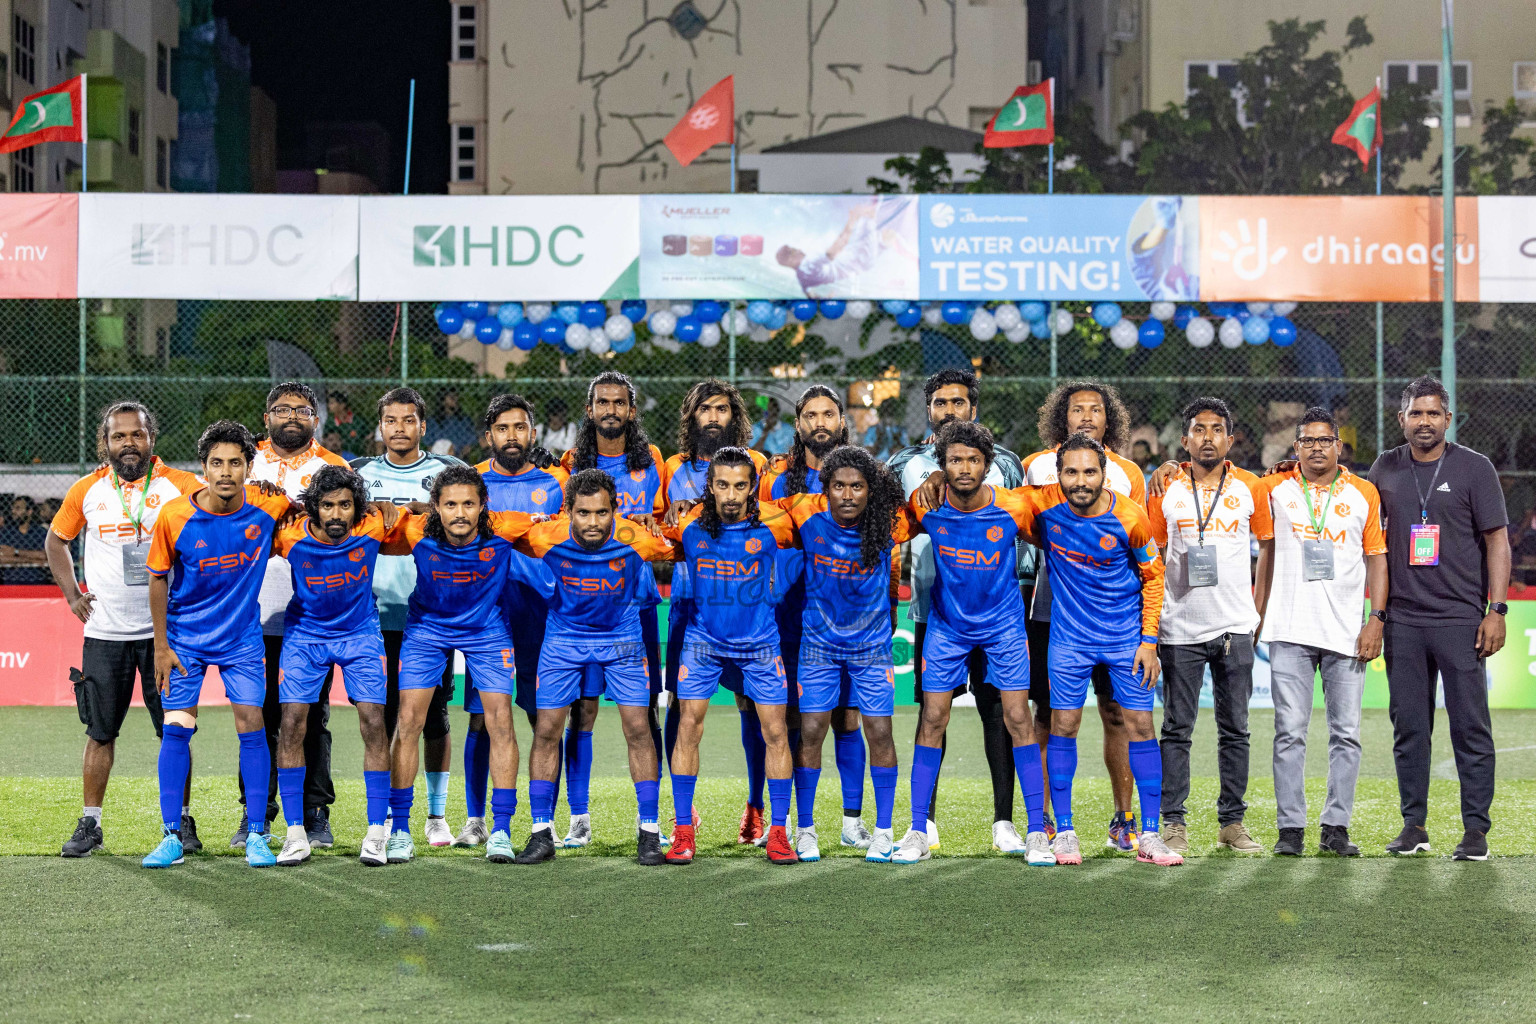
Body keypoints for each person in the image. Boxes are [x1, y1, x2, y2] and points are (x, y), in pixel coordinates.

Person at [46, 402, 204, 857]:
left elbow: (214, 529)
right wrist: (73, 594)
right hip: (106, 632)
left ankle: (181, 822)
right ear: (106, 442)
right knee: (99, 732)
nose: (128, 443)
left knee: (175, 730)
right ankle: (90, 824)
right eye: (119, 436)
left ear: (151, 438)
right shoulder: (88, 489)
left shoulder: (182, 486)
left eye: (137, 435)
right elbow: (56, 541)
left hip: (165, 635)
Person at [1018, 433, 1180, 868]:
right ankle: (1065, 831)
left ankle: (1148, 834)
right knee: (1062, 725)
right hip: (1069, 639)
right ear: (1060, 474)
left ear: (1104, 474)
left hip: (1126, 640)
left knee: (1140, 726)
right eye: (1071, 471)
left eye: (1090, 471)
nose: (1080, 480)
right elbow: (990, 500)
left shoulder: (1131, 517)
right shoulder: (1043, 506)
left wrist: (1149, 642)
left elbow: (1153, 578)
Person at [141, 421, 295, 869]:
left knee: (252, 725)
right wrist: (160, 646)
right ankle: (172, 834)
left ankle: (257, 834)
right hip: (184, 640)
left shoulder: (270, 504)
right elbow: (157, 579)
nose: (225, 472)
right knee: (176, 728)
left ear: (249, 467)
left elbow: (319, 514)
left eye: (235, 463)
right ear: (203, 468)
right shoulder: (174, 516)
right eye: (216, 463)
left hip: (242, 640)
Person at [888, 368, 1028, 856]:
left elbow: (1023, 527)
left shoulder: (1006, 464)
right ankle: (922, 824)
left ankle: (1005, 822)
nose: (950, 410)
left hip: (995, 607)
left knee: (1001, 713)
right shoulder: (904, 461)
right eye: (941, 403)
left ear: (973, 409)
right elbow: (891, 522)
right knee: (933, 715)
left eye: (959, 402)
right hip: (934, 605)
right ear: (928, 409)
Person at [1369, 376, 1508, 861]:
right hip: (1403, 622)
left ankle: (1475, 831)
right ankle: (1415, 826)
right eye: (1415, 413)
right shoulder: (1384, 467)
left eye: (1433, 413)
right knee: (1409, 727)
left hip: (1460, 620)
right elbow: (1361, 529)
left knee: (1470, 727)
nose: (1424, 421)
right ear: (1401, 418)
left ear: (1448, 419)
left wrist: (1497, 608)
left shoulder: (1475, 468)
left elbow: (1497, 540)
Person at [508, 470, 676, 866]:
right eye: (583, 513)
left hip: (623, 640)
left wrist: (666, 518)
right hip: (563, 641)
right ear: (568, 511)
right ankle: (540, 833)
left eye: (602, 512)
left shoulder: (637, 537)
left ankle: (649, 833)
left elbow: (689, 542)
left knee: (638, 727)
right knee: (547, 729)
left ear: (616, 510)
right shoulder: (544, 535)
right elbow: (491, 528)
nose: (593, 522)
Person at [378, 466, 539, 864]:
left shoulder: (506, 528)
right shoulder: (416, 530)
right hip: (427, 630)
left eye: (469, 503)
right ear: (436, 506)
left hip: (486, 631)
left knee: (500, 722)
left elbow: (568, 525)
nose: (460, 513)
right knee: (408, 722)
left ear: (484, 505)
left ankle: (500, 830)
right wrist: (376, 503)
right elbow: (359, 522)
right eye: (450, 504)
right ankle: (399, 829)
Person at [1255, 407, 1387, 858]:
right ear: (1295, 448)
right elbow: (1222, 484)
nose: (1316, 448)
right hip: (1288, 629)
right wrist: (1172, 468)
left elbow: (1377, 558)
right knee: (1289, 731)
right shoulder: (1273, 487)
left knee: (1346, 734)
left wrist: (1377, 618)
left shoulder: (1365, 493)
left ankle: (1336, 826)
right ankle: (1290, 828)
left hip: (1347, 632)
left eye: (1324, 441)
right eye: (1307, 441)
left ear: (1339, 446)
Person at [1022, 380, 1146, 854]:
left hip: (1117, 616)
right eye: (1078, 410)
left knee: (1118, 713)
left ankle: (1124, 818)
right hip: (1052, 605)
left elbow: (1141, 543)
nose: (1088, 417)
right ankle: (1048, 819)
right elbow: (1021, 518)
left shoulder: (1128, 472)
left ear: (1108, 419)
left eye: (1097, 410)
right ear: (1062, 418)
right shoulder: (1037, 467)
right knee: (1049, 716)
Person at [1146, 397, 1274, 855]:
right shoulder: (1165, 487)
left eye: (1217, 429)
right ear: (1185, 440)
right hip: (1179, 627)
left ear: (1230, 439)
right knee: (1177, 729)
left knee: (1235, 729)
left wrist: (1258, 610)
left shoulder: (1250, 487)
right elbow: (1153, 557)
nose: (1207, 437)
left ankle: (1231, 822)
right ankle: (1174, 822)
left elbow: (1268, 546)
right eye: (1198, 430)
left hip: (1235, 626)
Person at [773, 447, 913, 863]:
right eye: (839, 486)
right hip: (818, 647)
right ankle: (806, 829)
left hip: (871, 649)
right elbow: (755, 510)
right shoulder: (804, 513)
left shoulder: (890, 524)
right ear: (826, 488)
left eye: (857, 486)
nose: (848, 494)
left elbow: (933, 507)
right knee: (812, 730)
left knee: (879, 732)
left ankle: (884, 831)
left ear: (871, 490)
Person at [661, 447, 799, 864]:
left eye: (741, 485)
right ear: (711, 487)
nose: (732, 495)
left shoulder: (777, 522)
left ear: (753, 486)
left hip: (760, 646)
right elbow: (644, 535)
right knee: (688, 726)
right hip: (703, 643)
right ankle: (683, 830)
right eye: (722, 485)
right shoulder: (688, 524)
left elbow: (822, 527)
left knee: (775, 732)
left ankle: (778, 831)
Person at [758, 384, 872, 856]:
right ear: (798, 424)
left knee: (847, 719)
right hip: (787, 613)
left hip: (845, 617)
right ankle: (785, 822)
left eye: (828, 414)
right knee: (784, 721)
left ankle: (852, 821)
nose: (819, 423)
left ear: (841, 422)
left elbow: (885, 544)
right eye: (810, 415)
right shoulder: (776, 479)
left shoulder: (865, 476)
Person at [558, 371, 669, 850]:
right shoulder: (569, 463)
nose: (610, 409)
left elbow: (663, 527)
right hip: (581, 607)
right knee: (579, 712)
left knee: (643, 716)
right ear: (590, 410)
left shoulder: (653, 462)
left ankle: (652, 818)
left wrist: (653, 520)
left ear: (632, 409)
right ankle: (578, 817)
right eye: (601, 401)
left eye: (619, 402)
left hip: (636, 605)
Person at [270, 467, 401, 867]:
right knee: (291, 723)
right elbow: (248, 520)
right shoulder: (290, 532)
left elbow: (430, 513)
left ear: (357, 507)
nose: (336, 514)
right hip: (305, 635)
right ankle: (295, 834)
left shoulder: (373, 524)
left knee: (374, 723)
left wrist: (394, 505)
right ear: (314, 507)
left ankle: (377, 832)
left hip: (360, 634)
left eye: (345, 505)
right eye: (327, 505)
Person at [351, 387, 463, 847]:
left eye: (408, 420)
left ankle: (436, 816)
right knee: (384, 720)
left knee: (433, 718)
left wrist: (424, 511)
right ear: (381, 426)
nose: (400, 428)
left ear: (422, 425)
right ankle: (390, 818)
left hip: (430, 616)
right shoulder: (358, 475)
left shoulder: (445, 474)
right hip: (373, 615)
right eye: (391, 420)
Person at [243, 382, 349, 850]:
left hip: (314, 614)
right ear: (266, 417)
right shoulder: (243, 463)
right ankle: (257, 814)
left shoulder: (334, 467)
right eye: (281, 409)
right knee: (258, 716)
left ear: (315, 418)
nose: (291, 417)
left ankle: (314, 812)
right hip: (251, 610)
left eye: (301, 410)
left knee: (311, 716)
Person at [661, 380, 769, 844]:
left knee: (754, 705)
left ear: (734, 416)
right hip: (688, 602)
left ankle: (757, 806)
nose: (712, 417)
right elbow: (662, 528)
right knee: (680, 706)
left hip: (745, 606)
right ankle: (684, 810)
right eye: (704, 409)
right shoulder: (672, 467)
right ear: (691, 416)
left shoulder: (758, 464)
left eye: (721, 409)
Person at [461, 394, 568, 846]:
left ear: (533, 433)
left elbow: (563, 551)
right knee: (481, 720)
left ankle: (544, 819)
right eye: (502, 429)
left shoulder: (556, 484)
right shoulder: (470, 483)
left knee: (545, 720)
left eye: (520, 427)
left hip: (541, 620)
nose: (512, 436)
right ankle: (475, 819)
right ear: (488, 436)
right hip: (487, 619)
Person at [1, 495, 50, 583]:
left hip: (37, 580)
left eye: (18, 508)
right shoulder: (6, 533)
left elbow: (45, 556)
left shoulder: (40, 532)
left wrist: (15, 552)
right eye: (13, 508)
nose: (13, 511)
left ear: (29, 511)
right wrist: (32, 560)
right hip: (11, 581)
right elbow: (2, 558)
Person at [428, 389, 478, 457]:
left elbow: (468, 447)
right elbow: (430, 447)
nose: (455, 400)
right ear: (443, 401)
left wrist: (457, 458)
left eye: (456, 397)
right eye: (451, 397)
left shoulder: (464, 420)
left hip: (458, 458)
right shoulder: (433, 421)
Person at [326, 391, 372, 459]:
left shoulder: (357, 421)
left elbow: (369, 436)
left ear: (342, 405)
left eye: (332, 403)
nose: (329, 406)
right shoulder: (330, 422)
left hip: (357, 456)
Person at [862, 397, 907, 462]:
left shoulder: (900, 430)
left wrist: (897, 441)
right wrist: (878, 440)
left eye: (891, 410)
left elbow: (905, 451)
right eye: (886, 409)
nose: (888, 413)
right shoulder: (873, 429)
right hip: (876, 462)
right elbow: (868, 451)